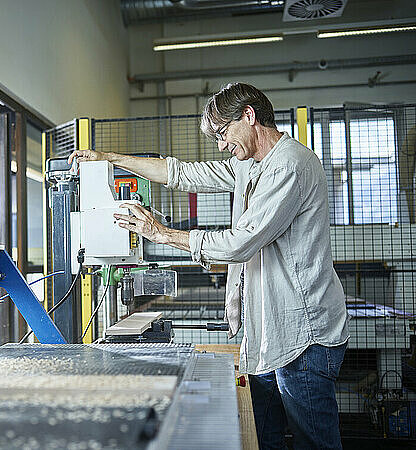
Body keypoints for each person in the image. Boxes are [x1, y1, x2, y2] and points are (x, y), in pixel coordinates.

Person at [69, 82, 350, 449]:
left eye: (222, 133)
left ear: (249, 117)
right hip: (269, 333)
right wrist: (112, 159)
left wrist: (161, 233)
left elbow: (240, 243)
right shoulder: (251, 164)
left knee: (315, 444)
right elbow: (183, 174)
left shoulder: (290, 166)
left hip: (303, 335)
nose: (220, 145)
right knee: (264, 438)